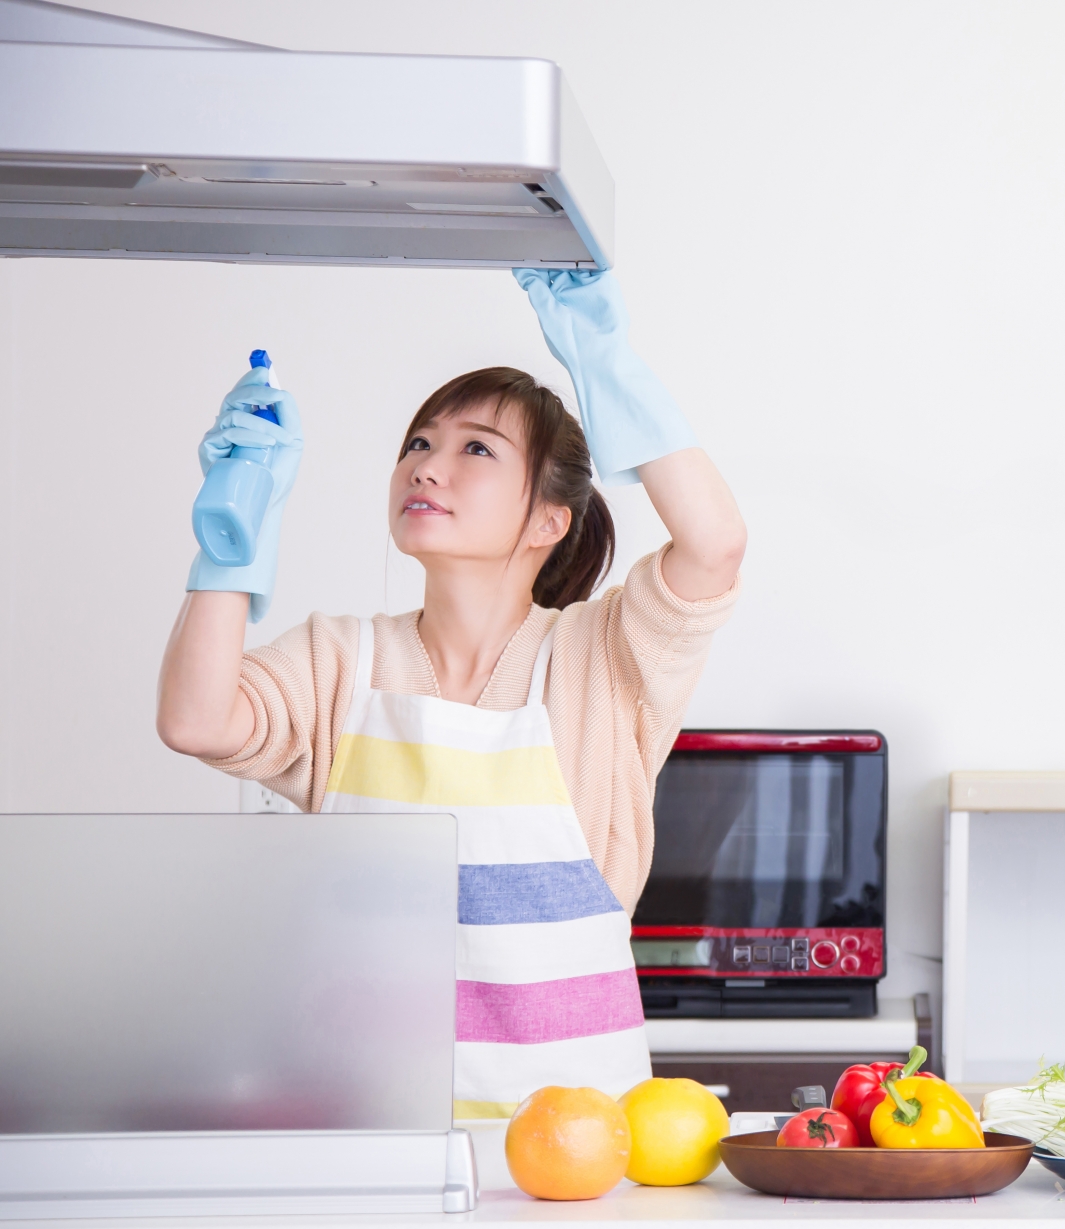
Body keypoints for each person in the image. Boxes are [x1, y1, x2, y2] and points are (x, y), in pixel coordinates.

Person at [156, 270, 746, 1120]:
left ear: (550, 520)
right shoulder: (340, 660)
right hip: (366, 1128)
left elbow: (716, 543)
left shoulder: (600, 657)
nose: (428, 466)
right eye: (418, 445)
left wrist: (602, 355)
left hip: (575, 1148)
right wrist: (230, 530)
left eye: (475, 449)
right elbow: (195, 719)